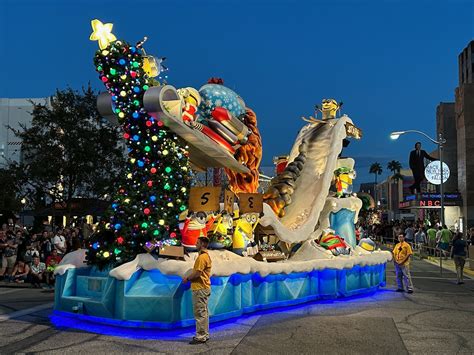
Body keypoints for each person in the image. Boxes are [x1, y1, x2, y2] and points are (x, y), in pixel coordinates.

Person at [182, 236, 212, 344]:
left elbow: (198, 273)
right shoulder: (204, 256)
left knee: (199, 313)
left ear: (202, 244)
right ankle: (205, 334)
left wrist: (187, 278)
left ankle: (201, 336)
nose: (195, 244)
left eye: (197, 242)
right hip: (203, 288)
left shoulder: (201, 258)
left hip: (200, 288)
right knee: (203, 312)